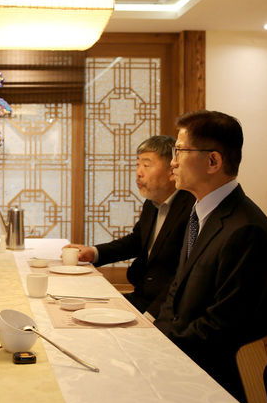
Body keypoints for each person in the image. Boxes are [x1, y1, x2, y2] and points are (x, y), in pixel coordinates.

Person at [154, 110, 267, 403]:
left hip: (220, 380)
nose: (172, 162)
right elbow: (177, 291)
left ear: (213, 161)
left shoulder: (246, 229)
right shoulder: (201, 212)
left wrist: (158, 346)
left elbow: (221, 328)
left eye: (179, 151)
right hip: (186, 358)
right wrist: (153, 335)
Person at [66, 135, 195, 318]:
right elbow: (136, 242)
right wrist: (93, 252)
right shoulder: (152, 204)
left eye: (146, 165)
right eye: (137, 164)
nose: (138, 172)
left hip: (167, 309)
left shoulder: (191, 208)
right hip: (141, 296)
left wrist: (151, 317)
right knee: (76, 311)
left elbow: (183, 276)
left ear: (171, 169)